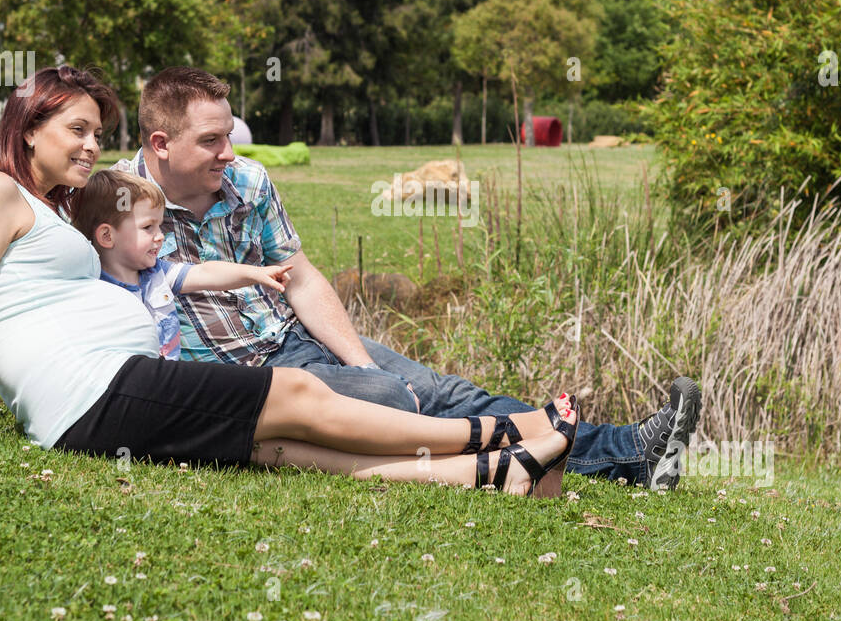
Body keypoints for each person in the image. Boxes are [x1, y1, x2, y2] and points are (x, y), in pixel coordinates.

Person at [0, 66, 579, 498]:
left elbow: (3, 317)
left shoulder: (56, 208)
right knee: (303, 393)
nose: (89, 145)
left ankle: (494, 474)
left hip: (104, 390)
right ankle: (512, 430)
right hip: (99, 387)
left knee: (281, 449)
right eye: (75, 129)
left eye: (97, 133)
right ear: (29, 125)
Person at [114, 66, 702, 488]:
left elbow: (300, 276)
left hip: (293, 336)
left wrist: (356, 360)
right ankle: (623, 456)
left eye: (228, 136)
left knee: (447, 393)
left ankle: (628, 453)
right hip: (245, 380)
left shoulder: (249, 182)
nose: (228, 154)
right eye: (211, 141)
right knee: (405, 405)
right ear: (161, 144)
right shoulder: (113, 203)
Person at [70, 169, 293, 360]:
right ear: (107, 236)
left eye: (159, 227)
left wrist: (256, 274)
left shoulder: (157, 273)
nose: (159, 237)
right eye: (148, 227)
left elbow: (206, 272)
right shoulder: (93, 291)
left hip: (167, 380)